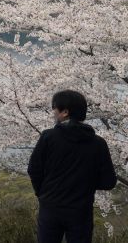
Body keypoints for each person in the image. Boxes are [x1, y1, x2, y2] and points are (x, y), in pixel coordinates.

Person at [28, 90, 118, 243]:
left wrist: (43, 193)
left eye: (54, 108)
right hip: (81, 210)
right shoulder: (98, 143)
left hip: (51, 207)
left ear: (65, 112)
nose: (53, 112)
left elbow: (34, 170)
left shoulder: (48, 137)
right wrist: (85, 184)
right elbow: (109, 182)